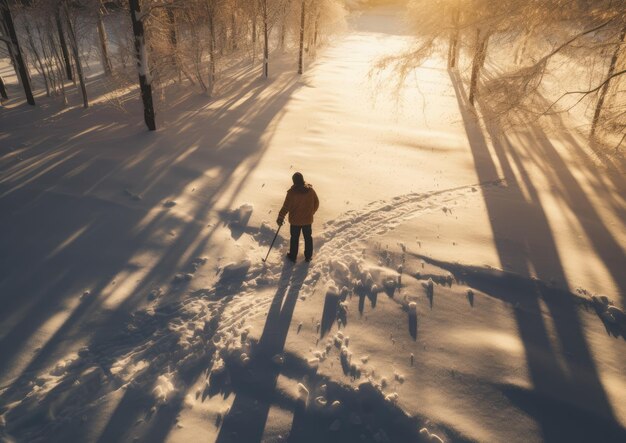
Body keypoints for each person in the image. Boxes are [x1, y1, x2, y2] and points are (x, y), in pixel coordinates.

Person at [277, 172, 319, 263]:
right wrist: (311, 213)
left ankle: (293, 256)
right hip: (307, 220)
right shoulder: (310, 190)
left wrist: (280, 217)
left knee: (294, 238)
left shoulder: (291, 193)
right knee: (308, 238)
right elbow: (316, 203)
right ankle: (308, 256)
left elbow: (286, 207)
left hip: (295, 221)